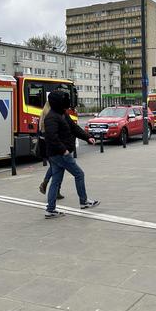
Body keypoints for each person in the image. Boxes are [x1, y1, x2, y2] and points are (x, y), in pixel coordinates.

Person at [43, 90, 98, 219]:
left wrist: (87, 137)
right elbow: (52, 137)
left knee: (56, 180)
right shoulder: (52, 117)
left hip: (58, 154)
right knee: (79, 174)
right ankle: (84, 201)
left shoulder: (62, 114)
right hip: (60, 154)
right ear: (57, 102)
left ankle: (50, 210)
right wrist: (64, 150)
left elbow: (74, 128)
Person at [38, 100, 64, 200]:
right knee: (57, 167)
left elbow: (39, 129)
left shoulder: (43, 113)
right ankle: (52, 188)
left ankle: (47, 184)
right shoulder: (52, 115)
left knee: (54, 166)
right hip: (51, 144)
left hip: (44, 143)